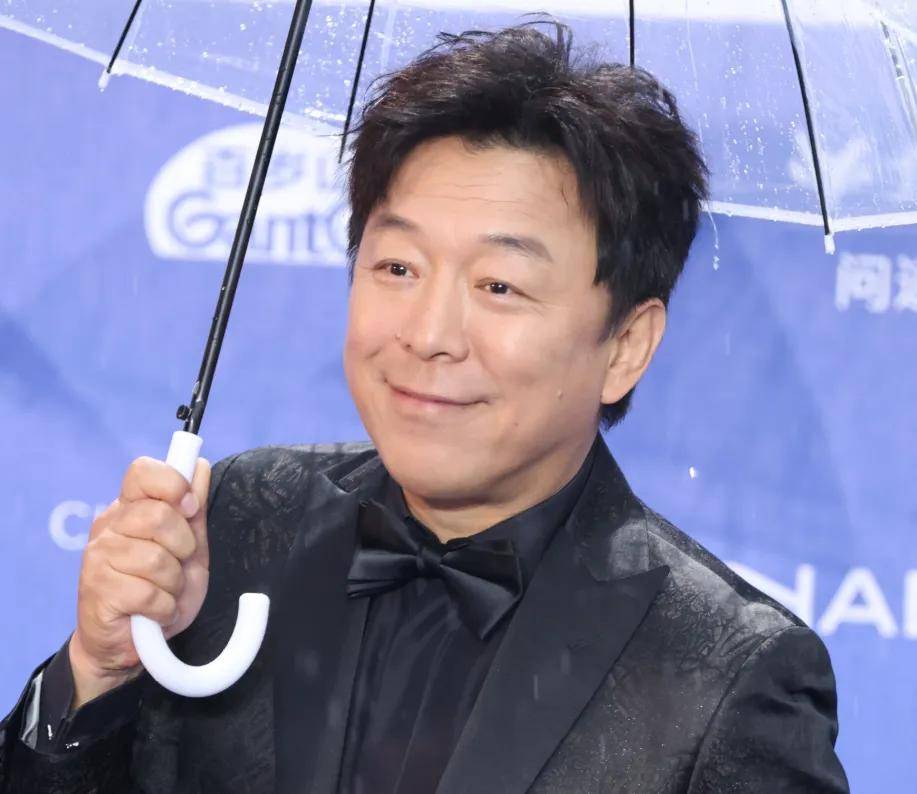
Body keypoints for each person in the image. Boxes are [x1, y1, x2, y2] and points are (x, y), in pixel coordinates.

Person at [0, 21, 848, 794]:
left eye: (499, 285)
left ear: (626, 344)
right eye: (398, 268)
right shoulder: (234, 524)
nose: (430, 335)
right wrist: (99, 671)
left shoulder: (728, 672)